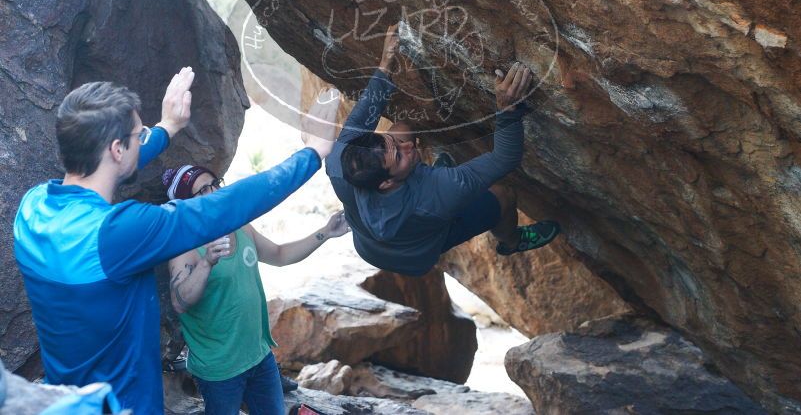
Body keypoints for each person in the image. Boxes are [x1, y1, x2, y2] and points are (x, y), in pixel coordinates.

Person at [13, 67, 340, 414]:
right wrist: (312, 153)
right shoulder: (119, 233)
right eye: (140, 135)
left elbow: (107, 166)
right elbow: (224, 206)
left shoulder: (32, 209)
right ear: (117, 149)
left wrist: (168, 127)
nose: (145, 139)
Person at [326, 24, 561, 276]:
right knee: (503, 196)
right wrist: (507, 111)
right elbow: (504, 159)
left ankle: (404, 164)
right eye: (399, 155)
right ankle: (512, 242)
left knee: (402, 128)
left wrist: (385, 64)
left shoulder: (341, 164)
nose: (409, 146)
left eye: (390, 142)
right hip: (416, 253)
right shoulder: (438, 194)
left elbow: (365, 114)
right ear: (385, 184)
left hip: (368, 245)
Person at [162, 166, 350, 415]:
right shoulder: (184, 246)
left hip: (259, 358)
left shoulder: (240, 226)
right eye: (201, 191)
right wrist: (206, 263)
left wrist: (325, 233)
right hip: (220, 370)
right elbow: (180, 302)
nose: (214, 192)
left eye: (214, 183)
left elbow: (280, 255)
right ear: (185, 203)